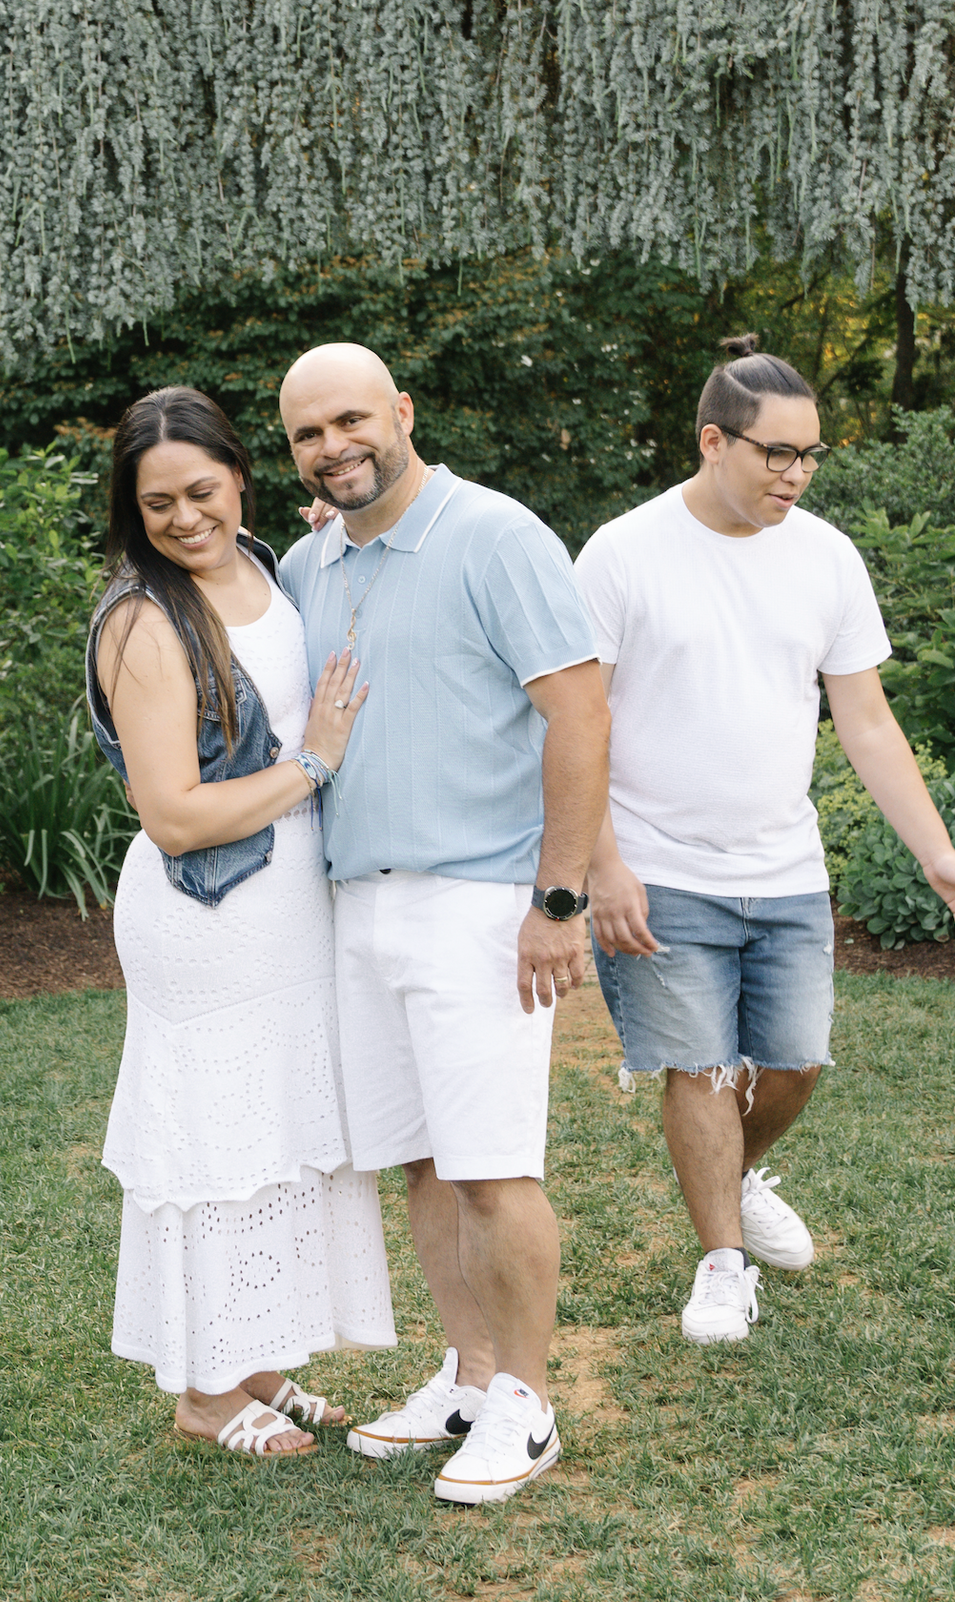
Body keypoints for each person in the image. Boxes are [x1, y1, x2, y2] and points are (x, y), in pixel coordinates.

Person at [575, 334, 955, 1346]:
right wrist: (601, 864)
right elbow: (575, 720)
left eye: (810, 454)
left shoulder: (824, 555)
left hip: (783, 867)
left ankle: (735, 1169)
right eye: (776, 453)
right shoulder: (621, 552)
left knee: (797, 1060)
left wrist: (935, 851)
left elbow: (864, 718)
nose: (797, 472)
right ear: (711, 441)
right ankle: (721, 1263)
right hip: (658, 863)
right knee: (695, 1065)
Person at [276, 343, 610, 1506]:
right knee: (420, 1159)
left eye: (352, 419)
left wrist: (559, 897)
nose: (333, 446)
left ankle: (525, 1402)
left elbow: (577, 715)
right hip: (355, 904)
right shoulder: (310, 562)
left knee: (491, 1164)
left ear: (403, 411)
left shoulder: (497, 535)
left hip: (480, 903)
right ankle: (468, 1375)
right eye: (310, 433)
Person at [87, 386, 396, 1458]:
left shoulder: (270, 565)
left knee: (281, 1123)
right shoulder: (142, 620)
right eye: (157, 502)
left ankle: (260, 1362)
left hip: (293, 900)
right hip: (206, 912)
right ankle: (208, 1393)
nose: (184, 518)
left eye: (202, 491)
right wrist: (311, 761)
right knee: (223, 1133)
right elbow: (173, 815)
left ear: (240, 478)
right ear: (132, 509)